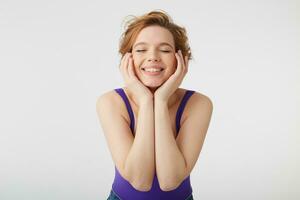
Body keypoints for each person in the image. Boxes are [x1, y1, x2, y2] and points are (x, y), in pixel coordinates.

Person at [96, 10, 213, 200]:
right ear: (128, 58)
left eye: (165, 50)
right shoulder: (111, 102)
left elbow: (170, 180)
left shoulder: (198, 104)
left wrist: (160, 100)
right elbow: (140, 180)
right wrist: (145, 101)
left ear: (180, 59)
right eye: (141, 49)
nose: (153, 57)